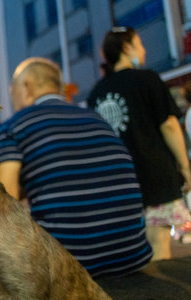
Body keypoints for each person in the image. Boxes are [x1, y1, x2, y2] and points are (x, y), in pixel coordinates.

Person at [0, 57, 153, 278]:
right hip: (131, 256)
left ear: (26, 86)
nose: (12, 99)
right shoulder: (98, 120)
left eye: (12, 91)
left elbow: (3, 202)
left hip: (64, 268)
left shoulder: (14, 126)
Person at [87, 27, 191, 261]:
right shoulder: (147, 80)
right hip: (154, 177)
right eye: (140, 43)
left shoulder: (97, 93)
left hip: (117, 183)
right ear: (126, 48)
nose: (143, 50)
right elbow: (170, 125)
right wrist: (185, 167)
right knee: (158, 245)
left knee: (130, 249)